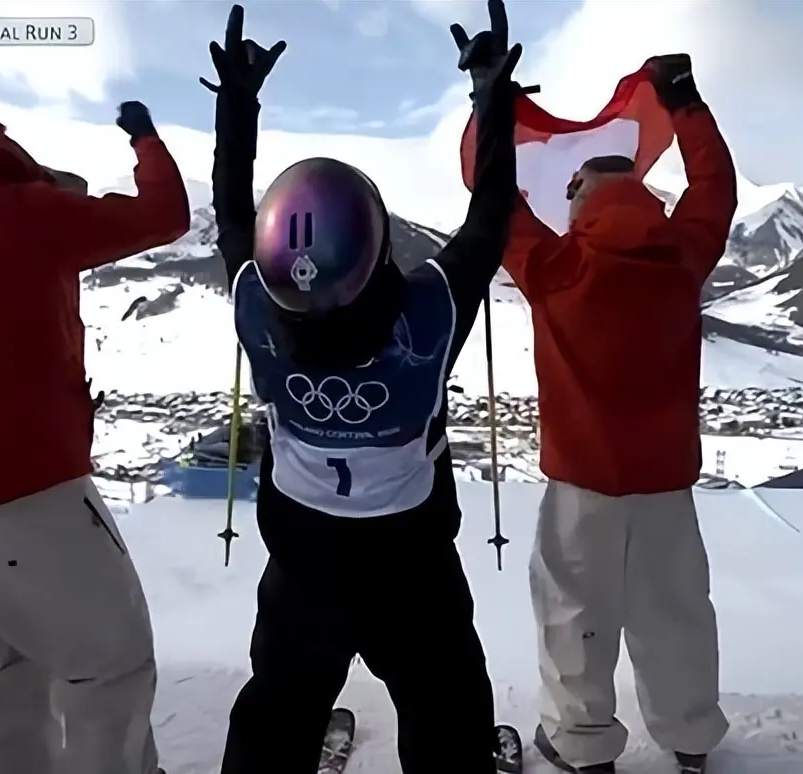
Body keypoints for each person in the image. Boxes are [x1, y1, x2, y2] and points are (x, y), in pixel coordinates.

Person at [200, 3, 524, 772]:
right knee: (446, 711)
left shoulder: (257, 307)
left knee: (280, 707)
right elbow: (488, 222)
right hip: (412, 569)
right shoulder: (427, 318)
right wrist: (492, 100)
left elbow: (230, 215)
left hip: (303, 564)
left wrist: (237, 104)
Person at [0, 103, 190, 774]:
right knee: (109, 665)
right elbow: (166, 215)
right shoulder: (22, 210)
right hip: (31, 493)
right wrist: (145, 138)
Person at [500, 55, 737, 774]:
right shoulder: (683, 254)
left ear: (579, 192)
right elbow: (714, 187)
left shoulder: (554, 267)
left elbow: (494, 201)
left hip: (582, 484)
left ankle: (583, 744)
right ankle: (690, 738)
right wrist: (685, 103)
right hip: (666, 484)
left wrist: (490, 110)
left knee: (574, 615)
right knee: (676, 611)